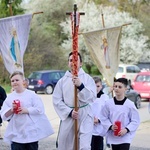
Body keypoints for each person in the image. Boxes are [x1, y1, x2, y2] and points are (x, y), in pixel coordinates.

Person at [52, 52, 96, 150]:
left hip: (85, 115)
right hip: (70, 116)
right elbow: (57, 100)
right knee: (66, 145)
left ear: (81, 63)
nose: (73, 62)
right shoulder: (62, 81)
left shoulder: (87, 79)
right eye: (71, 60)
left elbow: (92, 97)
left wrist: (81, 86)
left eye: (76, 60)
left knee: (84, 146)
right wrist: (69, 112)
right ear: (68, 63)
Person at [0, 71, 54, 150]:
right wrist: (11, 110)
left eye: (17, 80)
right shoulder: (10, 97)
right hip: (16, 133)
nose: (15, 82)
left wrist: (27, 110)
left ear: (23, 81)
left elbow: (40, 109)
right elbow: (3, 115)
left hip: (30, 133)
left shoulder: (31, 95)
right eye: (12, 81)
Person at [100, 78, 140, 150]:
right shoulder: (108, 103)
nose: (116, 89)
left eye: (120, 87)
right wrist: (110, 126)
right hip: (113, 136)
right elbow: (103, 117)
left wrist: (126, 129)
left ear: (125, 88)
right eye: (115, 86)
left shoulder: (130, 105)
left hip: (125, 137)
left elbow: (135, 120)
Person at [90, 76, 109, 150]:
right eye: (94, 86)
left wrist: (99, 120)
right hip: (89, 127)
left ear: (101, 86)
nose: (96, 88)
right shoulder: (87, 97)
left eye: (98, 86)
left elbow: (107, 113)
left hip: (99, 128)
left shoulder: (105, 98)